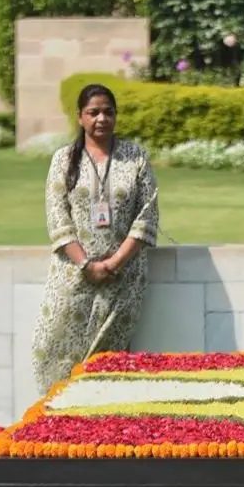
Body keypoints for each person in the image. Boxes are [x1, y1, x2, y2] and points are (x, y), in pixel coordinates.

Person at [31, 84, 160, 391]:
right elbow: (58, 217)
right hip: (74, 274)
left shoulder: (135, 157)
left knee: (110, 361)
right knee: (52, 347)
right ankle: (57, 413)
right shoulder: (64, 159)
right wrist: (86, 265)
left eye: (108, 112)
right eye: (94, 112)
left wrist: (114, 263)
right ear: (80, 117)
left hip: (123, 276)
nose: (101, 118)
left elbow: (147, 215)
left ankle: (102, 416)